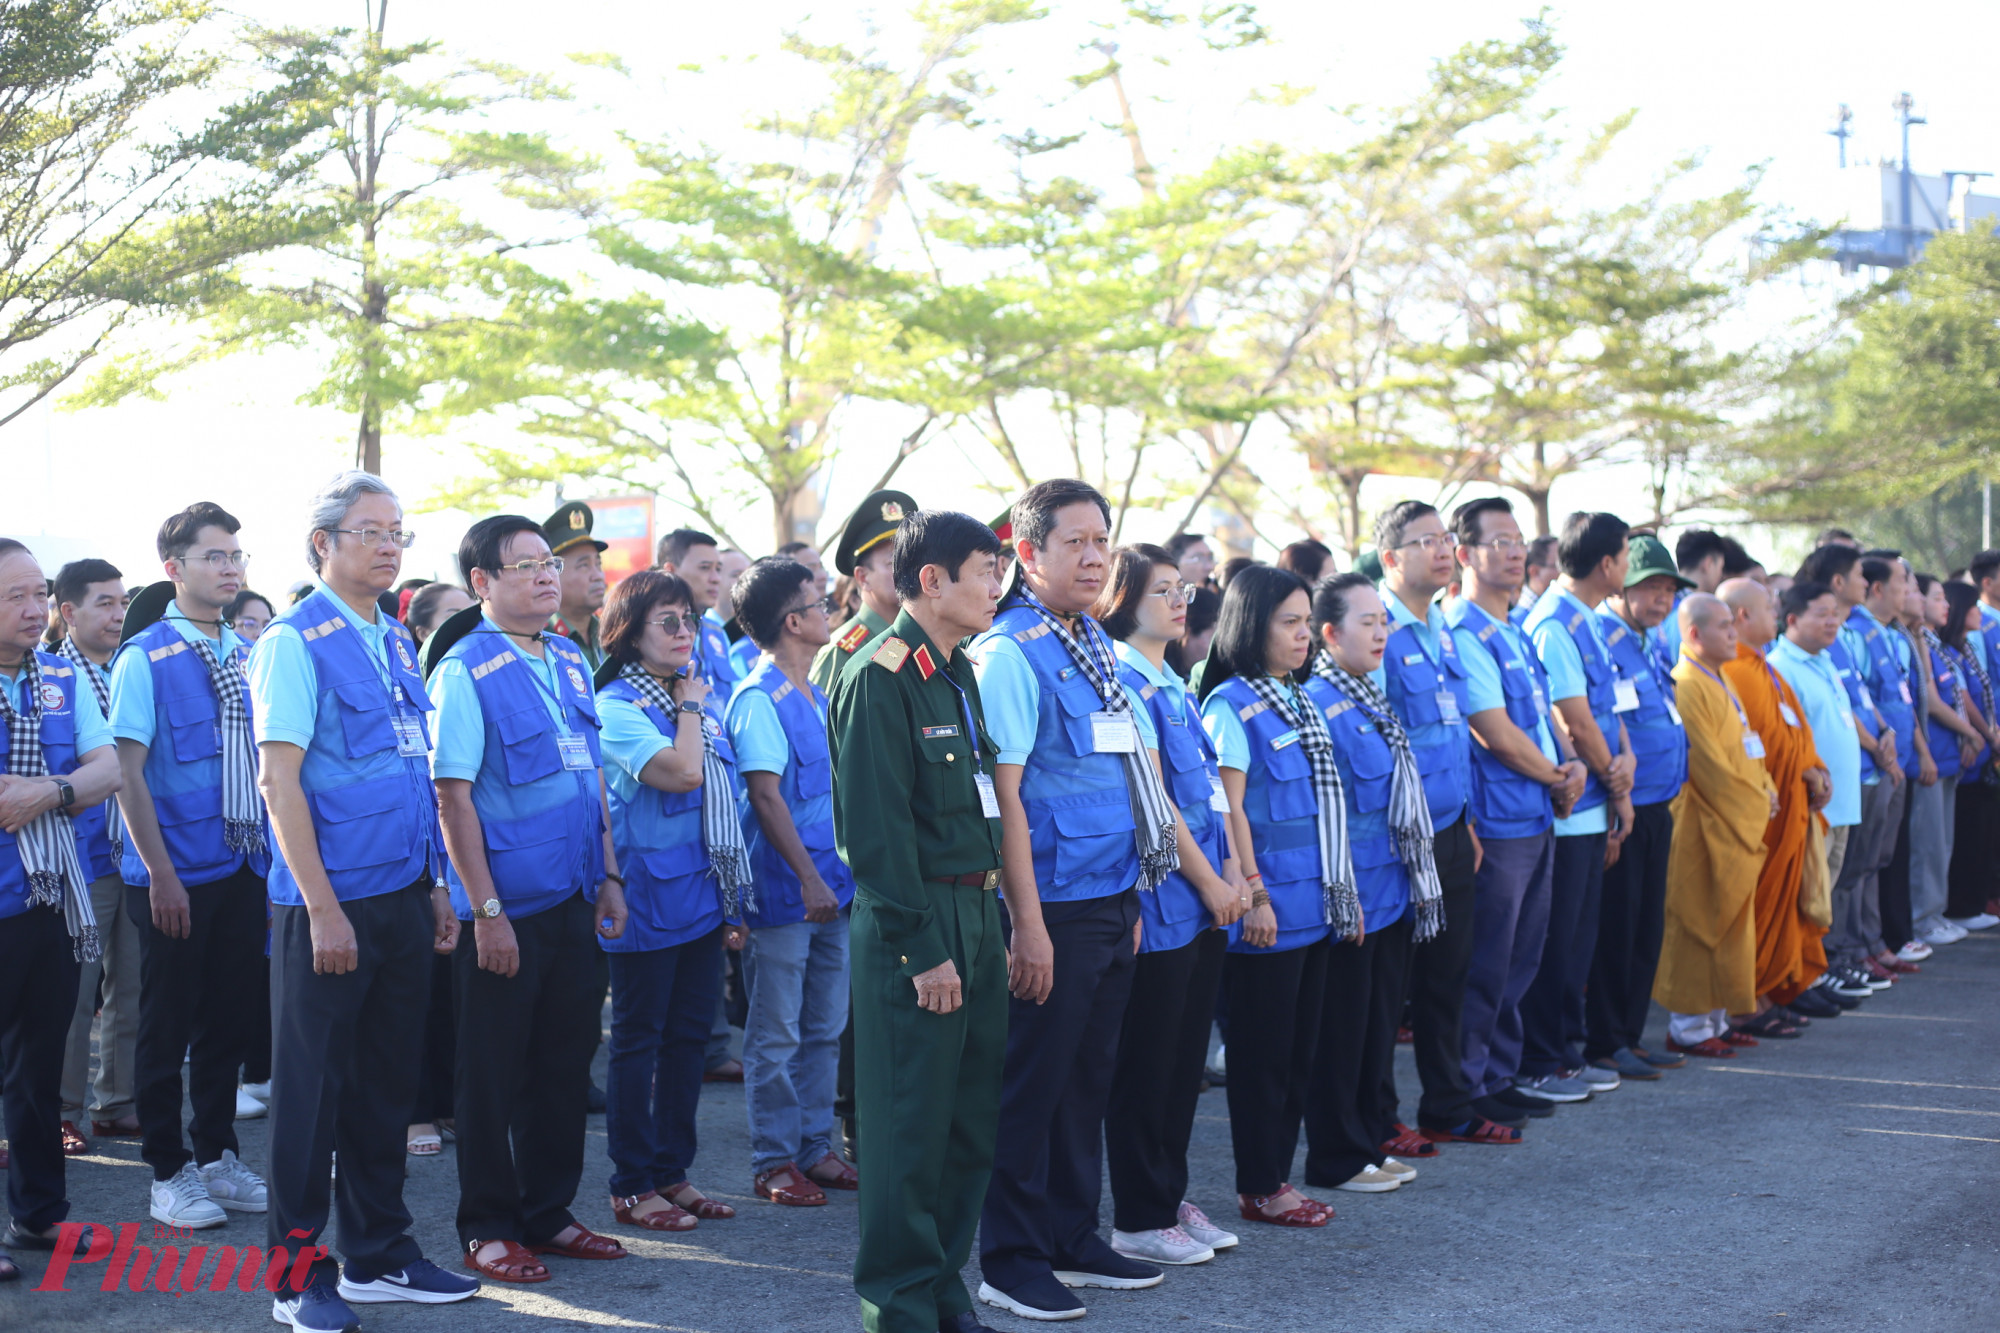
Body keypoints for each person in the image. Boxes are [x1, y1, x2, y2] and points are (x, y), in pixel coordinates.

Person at [248, 471, 478, 1327]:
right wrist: (323, 906)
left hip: (402, 897)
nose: (388, 546)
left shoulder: (390, 636)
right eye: (371, 531)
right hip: (327, 907)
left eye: (398, 533)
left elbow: (412, 773)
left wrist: (437, 887)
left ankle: (378, 1253)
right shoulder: (293, 641)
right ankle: (297, 1275)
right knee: (310, 1099)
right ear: (323, 544)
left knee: (386, 1088)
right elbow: (281, 782)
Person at [971, 479, 1183, 1320]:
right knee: (1030, 1084)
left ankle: (1069, 1233)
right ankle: (1011, 1256)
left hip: (1108, 892)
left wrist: (1130, 899)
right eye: (1075, 543)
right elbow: (1006, 796)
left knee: (1084, 1079)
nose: (1096, 557)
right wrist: (1026, 924)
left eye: (1104, 540)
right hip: (1048, 904)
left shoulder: (1087, 641)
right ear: (1027, 553)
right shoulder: (1011, 652)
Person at [427, 514, 631, 1284]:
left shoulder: (571, 659)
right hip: (504, 911)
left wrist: (609, 872)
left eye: (550, 563)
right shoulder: (464, 669)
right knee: (490, 1070)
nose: (548, 576)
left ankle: (547, 1211)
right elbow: (453, 799)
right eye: (527, 566)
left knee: (561, 1063)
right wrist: (486, 912)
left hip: (574, 900)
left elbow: (592, 778)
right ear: (482, 582)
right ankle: (487, 1224)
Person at [826, 509, 1008, 1333]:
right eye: (984, 568)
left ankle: (941, 1287)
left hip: (975, 908)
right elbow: (875, 831)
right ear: (930, 579)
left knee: (966, 1122)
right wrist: (922, 949)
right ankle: (898, 1307)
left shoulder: (956, 670)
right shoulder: (878, 674)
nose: (996, 584)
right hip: (918, 921)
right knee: (906, 1130)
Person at [110, 502, 271, 1230]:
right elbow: (127, 774)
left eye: (235, 553)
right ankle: (167, 1170)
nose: (230, 566)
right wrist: (162, 872)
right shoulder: (145, 655)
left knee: (228, 1021)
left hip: (242, 867)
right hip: (172, 875)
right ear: (174, 568)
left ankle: (216, 1155)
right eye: (214, 555)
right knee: (165, 1024)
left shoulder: (247, 652)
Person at [1092, 546, 1246, 1265]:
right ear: (1123, 597)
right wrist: (1214, 882)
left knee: (1182, 1064)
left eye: (1182, 588)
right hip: (1168, 895)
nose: (1180, 600)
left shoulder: (1174, 680)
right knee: (1148, 1065)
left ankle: (1168, 1190)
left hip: (1203, 895)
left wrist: (1234, 875)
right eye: (1162, 589)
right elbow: (1154, 799)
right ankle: (1139, 1212)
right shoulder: (1123, 677)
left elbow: (1208, 791)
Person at [589, 569, 746, 1236]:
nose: (686, 633)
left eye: (690, 620)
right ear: (630, 634)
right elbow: (681, 774)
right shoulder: (619, 704)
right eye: (669, 622)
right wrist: (689, 707)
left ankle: (672, 1169)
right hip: (646, 894)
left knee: (688, 1040)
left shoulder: (689, 698)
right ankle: (631, 1182)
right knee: (638, 1040)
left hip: (701, 889)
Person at [1198, 565, 1338, 1227]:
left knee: (1299, 1054)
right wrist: (1252, 891)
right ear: (1252, 625)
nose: (1303, 634)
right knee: (1263, 1059)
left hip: (1313, 906)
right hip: (1268, 910)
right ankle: (1260, 1184)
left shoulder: (1297, 696)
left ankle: (1278, 1176)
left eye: (1307, 621)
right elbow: (1230, 811)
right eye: (1289, 621)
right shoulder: (1230, 705)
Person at [1300, 572, 1445, 1195]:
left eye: (1384, 620)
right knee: (1341, 1033)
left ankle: (1367, 1135)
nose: (1382, 631)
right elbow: (1324, 813)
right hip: (1351, 893)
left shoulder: (1367, 694)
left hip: (1391, 890)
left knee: (1375, 1027)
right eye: (1367, 622)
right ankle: (1336, 1153)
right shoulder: (1318, 701)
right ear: (1329, 633)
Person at [1443, 498, 1584, 1130]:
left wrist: (1572, 762)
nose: (1514, 550)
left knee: (1521, 956)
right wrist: (1559, 775)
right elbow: (1494, 733)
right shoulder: (1462, 630)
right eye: (1498, 541)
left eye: (1518, 539)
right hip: (1499, 821)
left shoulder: (1517, 631)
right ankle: (1468, 1085)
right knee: (1488, 960)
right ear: (1465, 553)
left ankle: (1500, 1073)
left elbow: (1542, 718)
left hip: (1536, 812)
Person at [0, 538, 118, 1282]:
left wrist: (50, 790)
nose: (32, 607)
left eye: (37, 591)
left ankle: (39, 1212)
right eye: (14, 594)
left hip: (47, 899)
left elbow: (107, 766)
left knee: (37, 1066)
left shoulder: (58, 679)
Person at [724, 557, 860, 1205]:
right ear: (793, 619)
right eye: (819, 601)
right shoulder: (758, 697)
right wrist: (808, 879)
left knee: (824, 1025)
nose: (829, 609)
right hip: (789, 892)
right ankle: (774, 1157)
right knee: (776, 1032)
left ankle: (814, 1147)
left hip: (835, 885)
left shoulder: (814, 689)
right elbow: (767, 797)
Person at [1369, 503, 1497, 1147]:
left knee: (1450, 971)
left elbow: (1452, 734)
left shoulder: (1439, 626)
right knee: (1393, 985)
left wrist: (1468, 819)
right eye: (1426, 541)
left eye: (1447, 538)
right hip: (1399, 834)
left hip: (1450, 827)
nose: (1444, 550)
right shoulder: (1380, 629)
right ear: (1392, 559)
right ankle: (1383, 1115)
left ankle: (1447, 1104)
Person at [1518, 512, 1635, 1103]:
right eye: (1626, 556)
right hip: (1571, 807)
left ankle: (1567, 1049)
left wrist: (1627, 763)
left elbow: (1610, 706)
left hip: (1597, 804)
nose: (1628, 568)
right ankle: (1544, 1058)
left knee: (1579, 941)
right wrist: (1616, 782)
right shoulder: (1554, 622)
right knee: (1556, 942)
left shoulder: (1589, 621)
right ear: (1608, 563)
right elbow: (1573, 716)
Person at [1583, 535, 1690, 1080]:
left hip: (1658, 804)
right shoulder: (1602, 636)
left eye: (1670, 589)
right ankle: (1604, 1040)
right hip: (1623, 805)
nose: (1662, 599)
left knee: (1647, 928)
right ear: (1621, 586)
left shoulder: (1650, 642)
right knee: (1618, 930)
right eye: (1651, 587)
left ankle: (1629, 1035)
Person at [1654, 594, 1776, 1057]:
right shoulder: (1686, 683)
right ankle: (1688, 1028)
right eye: (1724, 626)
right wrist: (1754, 802)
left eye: (1732, 624)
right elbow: (1706, 763)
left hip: (1738, 817)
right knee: (1698, 922)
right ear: (1693, 634)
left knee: (1730, 924)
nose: (1733, 633)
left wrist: (1766, 785)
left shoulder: (1720, 676)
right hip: (1707, 823)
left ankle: (1717, 1020)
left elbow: (1748, 743)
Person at [50, 559, 143, 1150]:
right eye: (104, 604)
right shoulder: (50, 679)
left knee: (132, 988)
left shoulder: (129, 669)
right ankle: (62, 1109)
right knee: (75, 995)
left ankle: (117, 1102)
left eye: (122, 602)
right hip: (76, 863)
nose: (118, 614)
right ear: (68, 612)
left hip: (130, 858)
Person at [1715, 578, 1831, 1035]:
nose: (1776, 611)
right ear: (1742, 616)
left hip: (1793, 809)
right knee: (1757, 908)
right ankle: (1747, 1001)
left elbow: (1795, 733)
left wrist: (1816, 769)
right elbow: (1749, 748)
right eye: (1768, 605)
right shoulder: (1735, 673)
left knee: (1785, 907)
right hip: (1763, 816)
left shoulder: (1765, 668)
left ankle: (1771, 990)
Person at [654, 527, 747, 1081]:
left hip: (719, 789)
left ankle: (709, 1043)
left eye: (720, 569)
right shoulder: (656, 642)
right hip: (680, 791)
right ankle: (695, 1044)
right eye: (705, 568)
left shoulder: (711, 635)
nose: (716, 578)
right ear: (670, 569)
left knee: (712, 933)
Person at [1769, 579, 1871, 1015]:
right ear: (1792, 620)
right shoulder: (1780, 667)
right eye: (1822, 614)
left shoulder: (1824, 660)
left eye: (1836, 613)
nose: (1834, 621)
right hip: (1810, 807)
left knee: (1822, 897)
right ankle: (1793, 981)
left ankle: (1811, 973)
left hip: (1841, 803)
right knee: (1804, 896)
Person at [402, 582, 475, 1157]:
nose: (466, 622)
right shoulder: (429, 682)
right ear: (423, 631)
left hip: (464, 860)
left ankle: (450, 1100)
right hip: (425, 856)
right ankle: (416, 1108)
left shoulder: (483, 677)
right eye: (453, 615)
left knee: (456, 996)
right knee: (420, 993)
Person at [1843, 554, 1927, 979]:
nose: (1908, 592)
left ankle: (1872, 943)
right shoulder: (1854, 634)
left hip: (1892, 762)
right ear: (1877, 588)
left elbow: (1901, 701)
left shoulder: (1891, 635)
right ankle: (1854, 948)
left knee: (1879, 858)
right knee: (1859, 861)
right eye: (1901, 584)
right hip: (1870, 764)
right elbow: (1856, 701)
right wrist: (1880, 747)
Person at [1937, 580, 2000, 930]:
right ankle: (1962, 905)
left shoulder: (1963, 650)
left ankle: (1974, 901)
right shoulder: (1949, 651)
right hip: (1967, 752)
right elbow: (1966, 700)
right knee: (1968, 832)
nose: (1980, 613)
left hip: (1980, 749)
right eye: (1973, 606)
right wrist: (1986, 735)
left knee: (1981, 831)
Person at [812, 490, 916, 696]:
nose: (908, 569)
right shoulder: (842, 651)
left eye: (913, 558)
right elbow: (824, 724)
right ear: (863, 577)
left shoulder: (922, 636)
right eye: (894, 562)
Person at [544, 501, 609, 669]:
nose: (597, 576)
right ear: (553, 573)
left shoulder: (611, 634)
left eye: (598, 564)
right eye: (584, 565)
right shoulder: (540, 639)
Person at [1509, 535, 1559, 628]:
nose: (1566, 572)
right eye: (1559, 565)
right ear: (1534, 572)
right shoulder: (1517, 623)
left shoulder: (1558, 612)